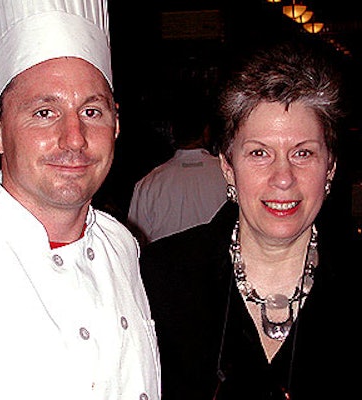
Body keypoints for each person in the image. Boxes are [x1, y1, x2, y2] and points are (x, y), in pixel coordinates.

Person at [140, 39, 359, 400]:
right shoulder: (160, 278)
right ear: (228, 166)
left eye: (303, 153)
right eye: (260, 153)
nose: (283, 177)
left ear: (330, 167)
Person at [0, 1, 161, 399]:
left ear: (116, 124)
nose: (75, 139)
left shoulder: (122, 245)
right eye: (44, 112)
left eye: (91, 111)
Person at [127, 88, 227, 246]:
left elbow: (135, 243)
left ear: (172, 132)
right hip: (220, 267)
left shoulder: (149, 184)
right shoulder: (228, 174)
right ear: (206, 131)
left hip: (163, 268)